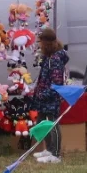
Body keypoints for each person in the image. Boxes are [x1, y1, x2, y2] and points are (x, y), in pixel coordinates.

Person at [31, 28, 68, 164]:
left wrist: (44, 93)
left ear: (46, 43)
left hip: (51, 98)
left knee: (53, 124)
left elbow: (57, 83)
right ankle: (49, 149)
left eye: (40, 42)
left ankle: (56, 154)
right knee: (42, 122)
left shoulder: (56, 59)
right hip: (43, 97)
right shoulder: (49, 57)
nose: (39, 45)